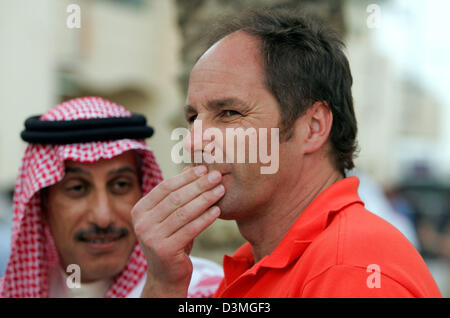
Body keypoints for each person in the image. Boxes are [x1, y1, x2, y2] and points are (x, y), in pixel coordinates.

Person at [133, 9, 442, 297]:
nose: (192, 143)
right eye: (192, 118)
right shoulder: (261, 260)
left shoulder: (350, 272)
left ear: (313, 127)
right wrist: (164, 285)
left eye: (228, 113)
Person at [0, 96, 222, 298]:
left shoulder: (206, 290)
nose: (103, 217)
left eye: (120, 185)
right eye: (77, 188)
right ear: (43, 206)